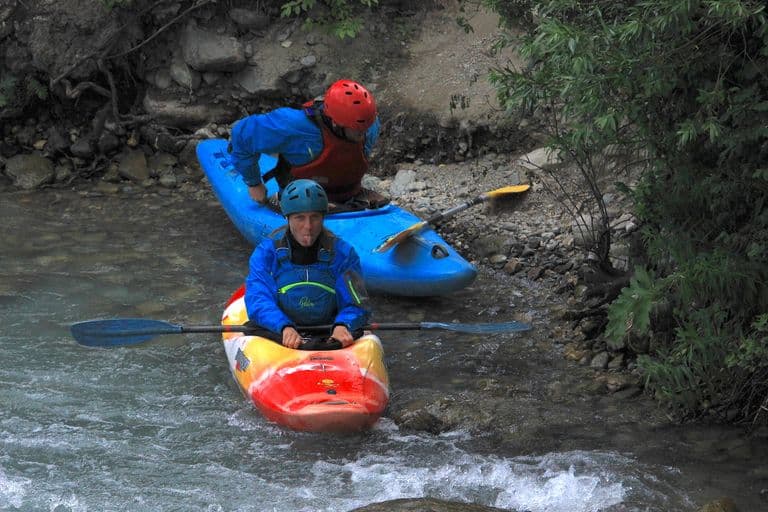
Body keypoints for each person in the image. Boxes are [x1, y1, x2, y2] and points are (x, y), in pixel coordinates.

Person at [244, 179, 371, 349]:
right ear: (288, 218)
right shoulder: (266, 253)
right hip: (280, 331)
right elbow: (259, 298)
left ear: (323, 217)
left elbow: (356, 302)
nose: (308, 226)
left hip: (329, 331)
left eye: (315, 217)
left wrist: (343, 324)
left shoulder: (344, 254)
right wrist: (283, 326)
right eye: (300, 218)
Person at [228, 79, 389, 210]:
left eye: (367, 128)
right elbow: (242, 135)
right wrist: (254, 183)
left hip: (349, 195)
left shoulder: (369, 124)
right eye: (358, 131)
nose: (364, 134)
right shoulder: (294, 126)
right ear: (335, 123)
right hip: (300, 199)